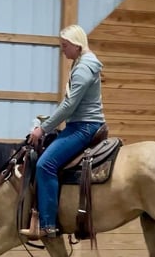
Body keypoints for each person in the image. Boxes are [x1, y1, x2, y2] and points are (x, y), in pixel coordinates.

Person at [19, 24, 106, 240]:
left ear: (77, 46)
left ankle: (47, 224)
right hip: (80, 124)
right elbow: (68, 103)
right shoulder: (81, 63)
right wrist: (46, 122)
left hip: (84, 126)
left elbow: (69, 106)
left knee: (45, 164)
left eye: (65, 45)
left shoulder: (84, 68)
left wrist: (43, 128)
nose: (62, 50)